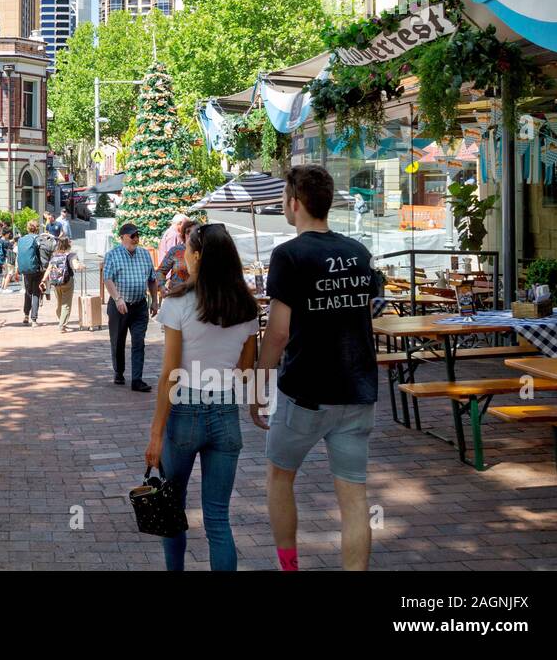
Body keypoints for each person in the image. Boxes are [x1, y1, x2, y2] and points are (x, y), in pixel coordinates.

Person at [250, 165, 383, 572]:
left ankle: (289, 565)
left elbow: (277, 334)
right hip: (358, 389)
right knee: (354, 496)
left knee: (279, 477)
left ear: (294, 203)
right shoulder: (358, 252)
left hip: (306, 391)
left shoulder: (289, 255)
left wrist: (258, 388)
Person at [146, 223, 260, 572]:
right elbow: (246, 370)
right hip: (225, 409)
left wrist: (155, 433)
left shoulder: (178, 302)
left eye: (188, 250)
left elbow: (169, 373)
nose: (184, 255)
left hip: (184, 410)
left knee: (172, 509)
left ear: (197, 256)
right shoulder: (246, 306)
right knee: (217, 519)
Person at [102, 222, 159, 391]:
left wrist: (155, 300)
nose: (136, 239)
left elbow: (151, 279)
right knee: (118, 341)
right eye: (132, 236)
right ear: (123, 237)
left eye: (137, 236)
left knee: (139, 342)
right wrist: (118, 298)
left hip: (139, 305)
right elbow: (108, 279)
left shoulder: (144, 254)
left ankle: (137, 380)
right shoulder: (113, 254)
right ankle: (119, 372)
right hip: (120, 305)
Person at [41, 235, 82, 332]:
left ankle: (61, 320)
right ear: (69, 244)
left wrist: (43, 280)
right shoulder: (71, 255)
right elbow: (76, 266)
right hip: (67, 281)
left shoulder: (55, 255)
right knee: (66, 304)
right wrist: (81, 266)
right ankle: (62, 325)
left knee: (60, 303)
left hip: (55, 282)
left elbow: (49, 268)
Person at [15, 219, 48, 326]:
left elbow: (18, 255)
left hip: (26, 270)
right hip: (37, 269)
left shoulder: (22, 239)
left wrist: (17, 269)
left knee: (28, 292)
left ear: (28, 228)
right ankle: (34, 319)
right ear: (37, 228)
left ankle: (25, 315)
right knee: (36, 293)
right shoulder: (39, 239)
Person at [156, 218, 197, 296]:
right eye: (188, 232)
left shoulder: (203, 251)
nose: (191, 235)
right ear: (183, 234)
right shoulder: (175, 250)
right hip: (176, 294)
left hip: (197, 297)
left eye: (195, 233)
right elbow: (160, 271)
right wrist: (161, 287)